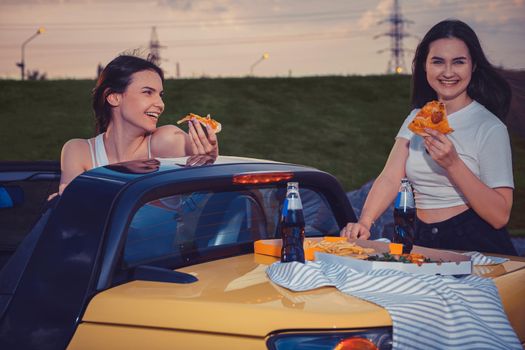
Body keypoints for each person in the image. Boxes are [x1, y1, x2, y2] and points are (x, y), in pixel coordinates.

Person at [340, 19, 517, 255]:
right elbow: (390, 178)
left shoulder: (489, 127)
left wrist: (453, 163)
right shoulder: (417, 118)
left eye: (458, 62)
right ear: (425, 66)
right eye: (438, 61)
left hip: (473, 243)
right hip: (419, 237)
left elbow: (500, 216)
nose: (448, 72)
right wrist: (365, 221)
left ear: (473, 66)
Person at [57, 54, 218, 196]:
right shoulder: (79, 151)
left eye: (160, 95)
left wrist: (211, 162)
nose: (160, 104)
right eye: (148, 92)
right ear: (113, 97)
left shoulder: (169, 140)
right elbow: (73, 213)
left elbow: (214, 184)